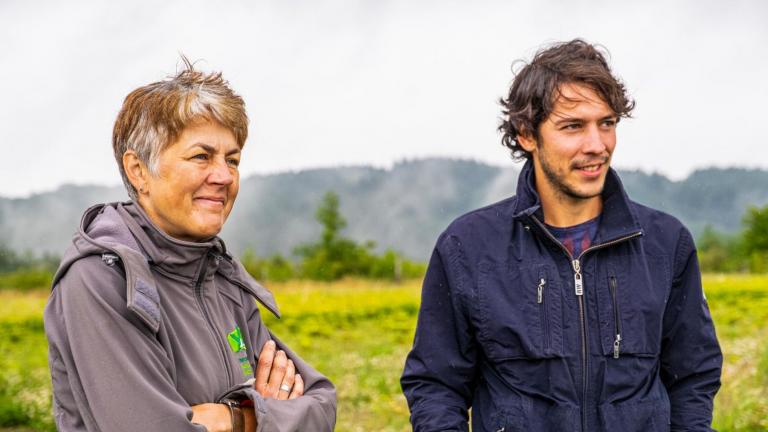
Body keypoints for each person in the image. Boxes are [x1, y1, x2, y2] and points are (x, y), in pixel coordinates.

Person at [401, 39, 722, 431]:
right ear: (526, 134)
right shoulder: (468, 247)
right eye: (573, 127)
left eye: (606, 123)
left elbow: (693, 377)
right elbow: (436, 385)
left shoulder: (665, 243)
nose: (597, 145)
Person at [44, 59, 336, 432]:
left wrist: (234, 418)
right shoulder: (101, 279)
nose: (223, 176)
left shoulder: (222, 277)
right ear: (138, 170)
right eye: (201, 156)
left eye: (232, 160)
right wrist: (254, 414)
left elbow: (321, 402)